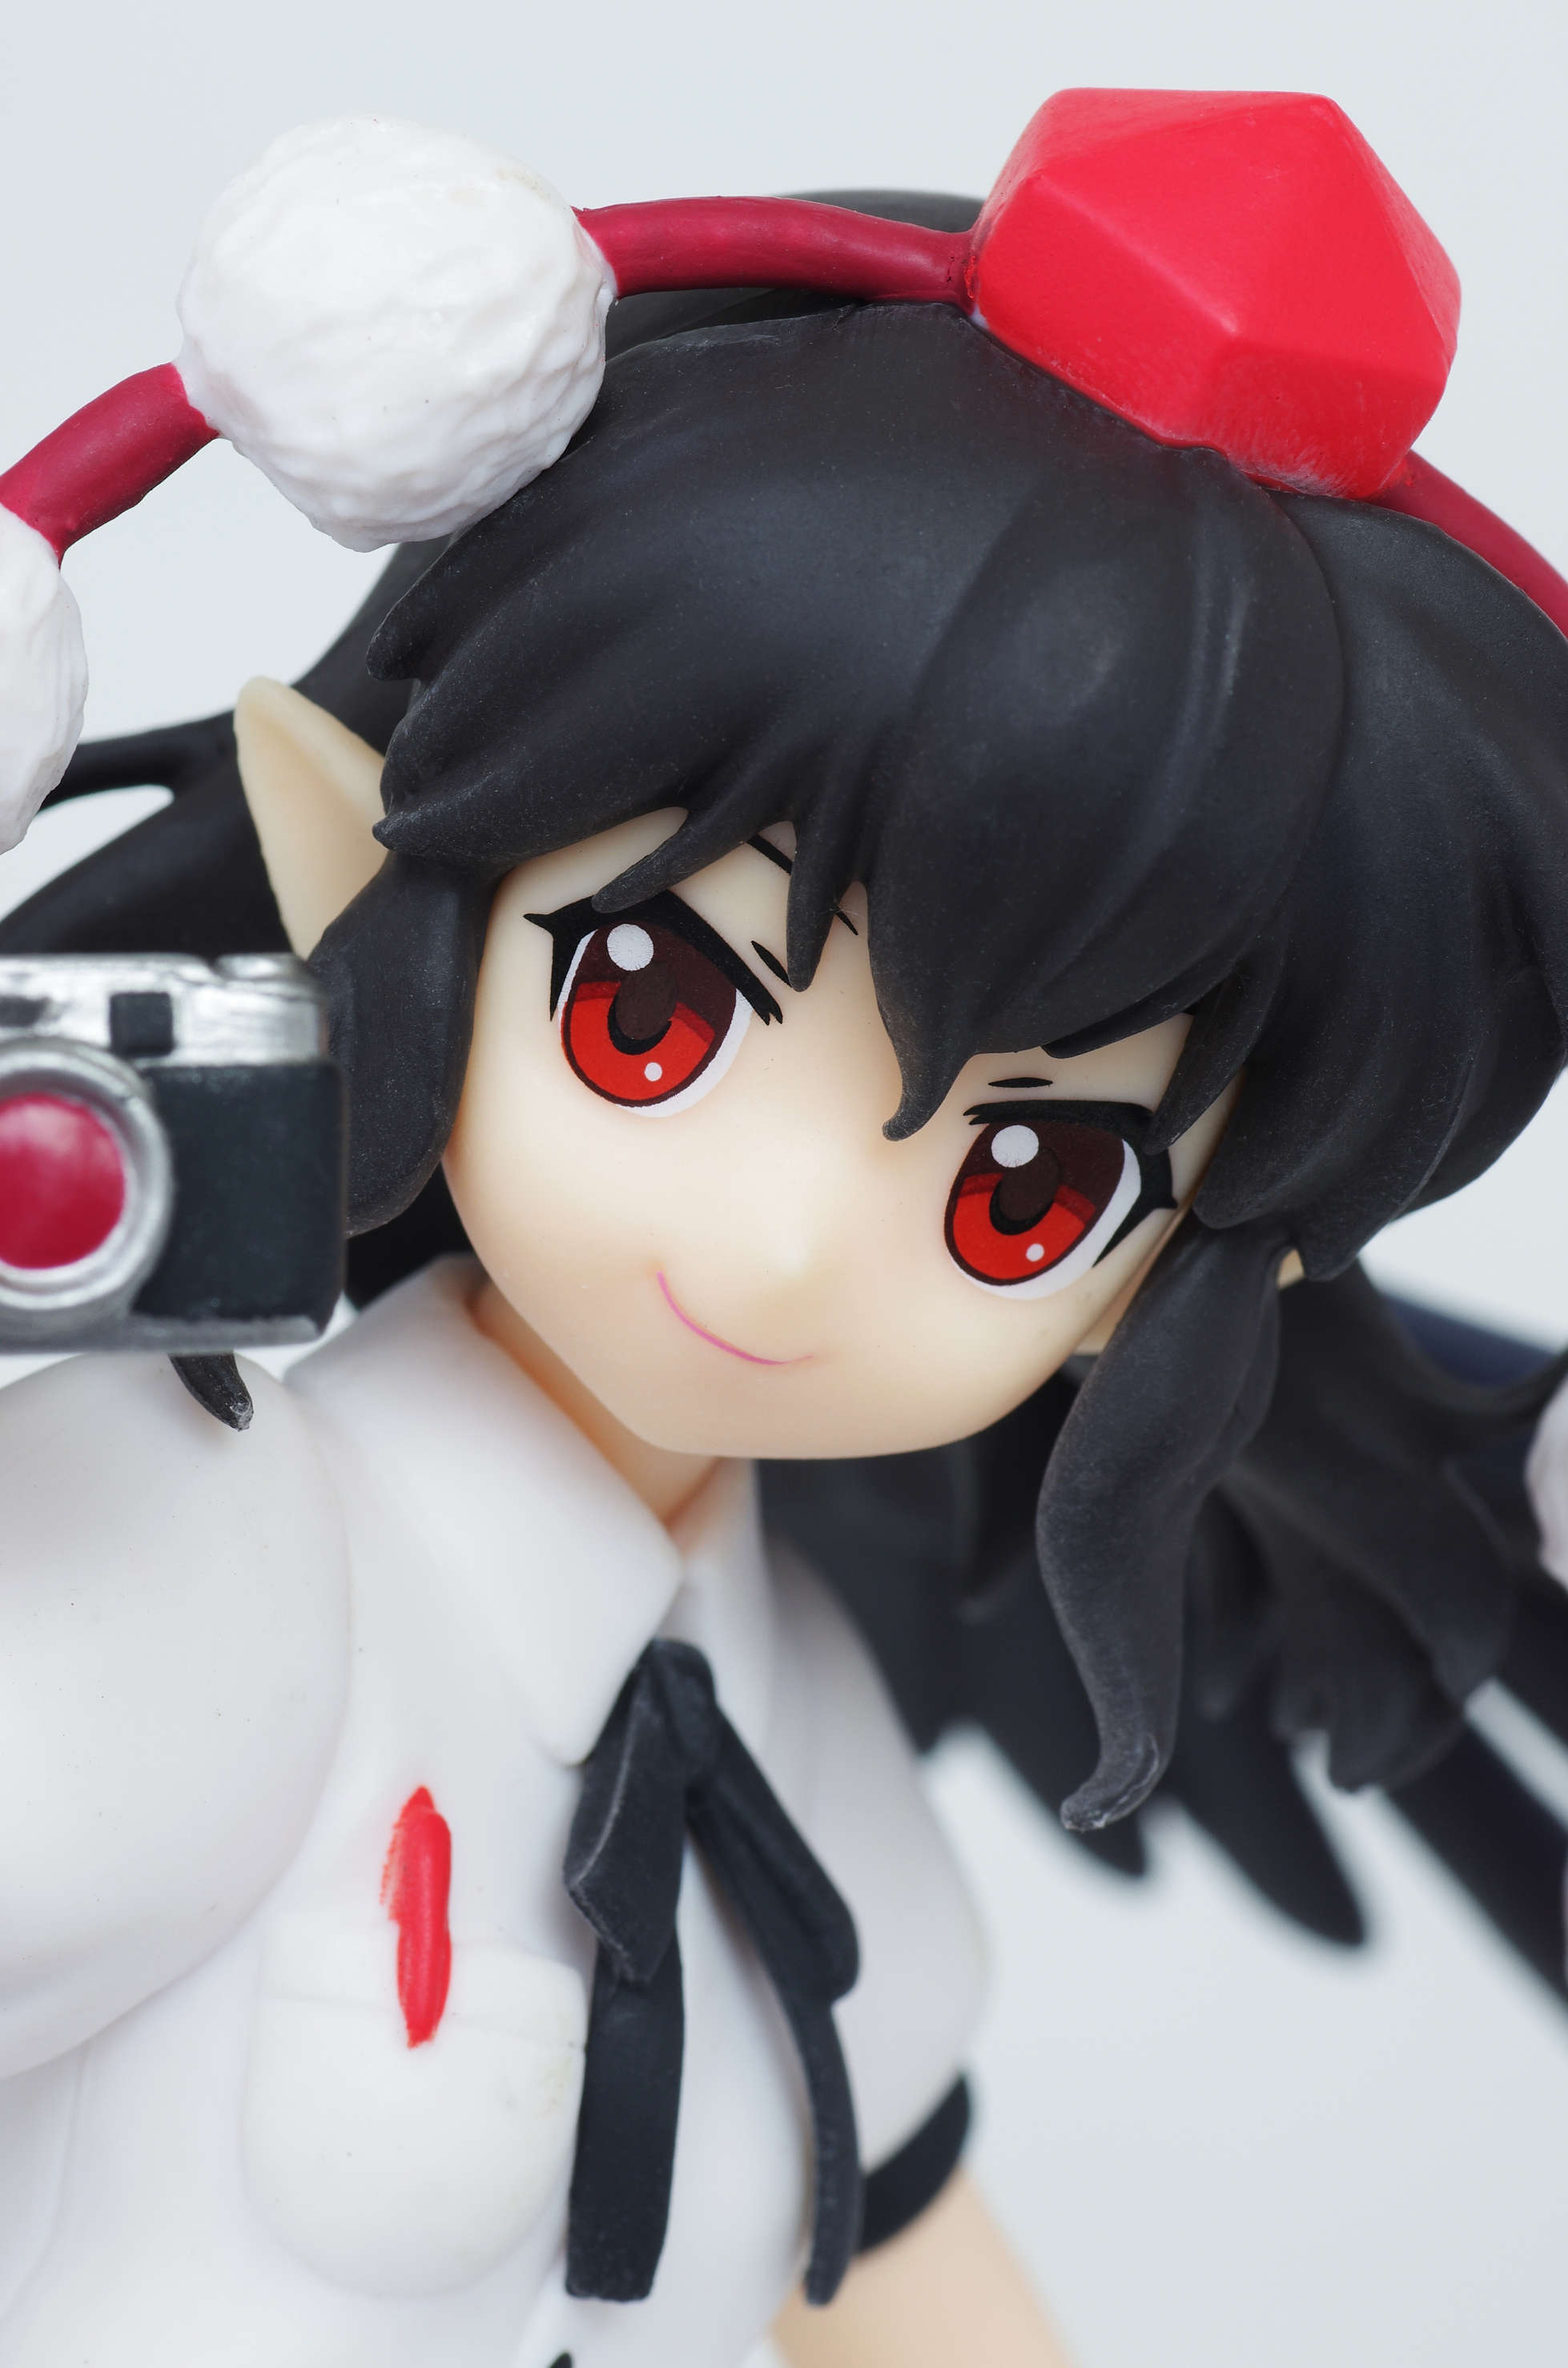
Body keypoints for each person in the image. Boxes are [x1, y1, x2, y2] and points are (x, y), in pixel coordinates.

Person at [4, 99, 1568, 2368]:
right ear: (361, 868)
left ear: (1187, 1280)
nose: (788, 1247)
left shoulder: (783, 1694)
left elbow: (889, 2251)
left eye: (1028, 1191)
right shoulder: (186, 1565)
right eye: (648, 1009)